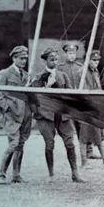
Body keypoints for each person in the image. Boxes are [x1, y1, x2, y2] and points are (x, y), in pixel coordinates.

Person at [33, 47, 85, 183]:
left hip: (62, 115)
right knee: (49, 144)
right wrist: (48, 87)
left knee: (70, 143)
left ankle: (75, 173)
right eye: (51, 60)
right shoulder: (38, 77)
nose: (54, 62)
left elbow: (71, 94)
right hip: (46, 115)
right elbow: (35, 96)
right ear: (45, 61)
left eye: (56, 59)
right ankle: (51, 175)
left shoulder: (63, 75)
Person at [0, 46, 34, 183]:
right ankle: (1, 175)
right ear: (14, 58)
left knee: (21, 144)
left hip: (26, 114)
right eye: (21, 58)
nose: (24, 61)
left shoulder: (27, 76)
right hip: (12, 115)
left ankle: (16, 175)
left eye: (25, 59)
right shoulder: (4, 74)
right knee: (13, 143)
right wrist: (8, 108)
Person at [69, 49, 104, 169]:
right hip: (85, 106)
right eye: (94, 60)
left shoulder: (94, 71)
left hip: (95, 106)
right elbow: (85, 91)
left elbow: (97, 87)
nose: (96, 62)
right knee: (84, 135)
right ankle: (85, 162)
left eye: (98, 60)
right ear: (88, 60)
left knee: (98, 134)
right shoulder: (82, 72)